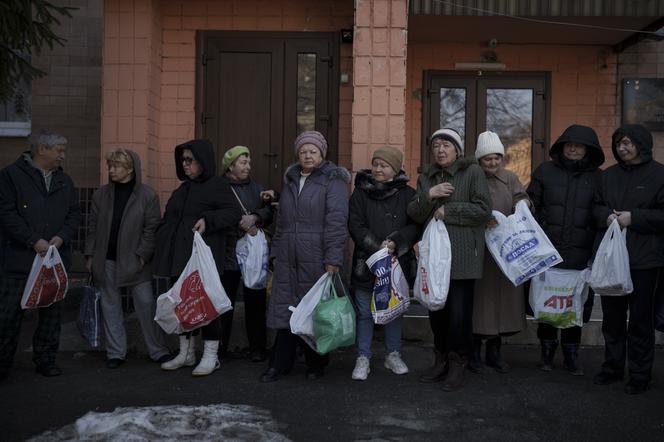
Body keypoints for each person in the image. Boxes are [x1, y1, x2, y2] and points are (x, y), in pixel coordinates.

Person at [261, 130, 350, 383]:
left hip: (317, 255)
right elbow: (282, 223)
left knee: (313, 310)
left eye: (313, 151)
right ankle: (280, 364)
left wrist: (333, 258)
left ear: (322, 153)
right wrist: (276, 253)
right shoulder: (290, 180)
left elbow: (336, 222)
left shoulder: (333, 182)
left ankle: (316, 363)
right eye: (303, 151)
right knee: (286, 309)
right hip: (289, 256)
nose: (307, 155)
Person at [408, 128, 492, 392]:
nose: (441, 150)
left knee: (459, 315)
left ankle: (458, 362)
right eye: (436, 146)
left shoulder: (473, 172)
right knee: (437, 313)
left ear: (457, 150)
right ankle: (441, 359)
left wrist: (449, 210)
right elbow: (414, 213)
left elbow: (483, 210)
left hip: (463, 256)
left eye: (446, 145)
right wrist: (430, 195)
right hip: (434, 259)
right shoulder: (427, 177)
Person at [153, 139, 241, 376]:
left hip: (204, 260)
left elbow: (233, 214)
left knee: (206, 305)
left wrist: (208, 221)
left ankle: (210, 355)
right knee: (182, 305)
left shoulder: (217, 185)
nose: (186, 165)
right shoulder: (183, 189)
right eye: (183, 160)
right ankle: (186, 353)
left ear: (203, 161)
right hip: (179, 258)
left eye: (190, 160)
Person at [0, 130, 81, 380]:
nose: (63, 156)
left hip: (53, 262)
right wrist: (33, 240)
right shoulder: (10, 176)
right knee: (8, 317)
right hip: (18, 261)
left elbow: (74, 214)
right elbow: (6, 214)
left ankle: (46, 360)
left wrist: (62, 237)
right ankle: (2, 365)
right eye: (59, 150)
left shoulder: (64, 180)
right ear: (42, 149)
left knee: (51, 316)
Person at [527, 124, 604, 376]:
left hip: (581, 255)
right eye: (568, 144)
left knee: (575, 307)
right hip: (548, 253)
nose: (572, 148)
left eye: (579, 145)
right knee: (548, 305)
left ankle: (572, 355)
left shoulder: (599, 178)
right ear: (561, 146)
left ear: (588, 149)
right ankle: (546, 353)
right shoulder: (545, 171)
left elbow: (602, 214)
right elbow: (532, 207)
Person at [593, 124, 664, 395]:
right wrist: (606, 216)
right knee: (612, 318)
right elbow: (595, 206)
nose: (623, 147)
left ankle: (639, 375)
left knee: (640, 321)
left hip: (645, 260)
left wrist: (634, 218)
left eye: (628, 142)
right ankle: (612, 368)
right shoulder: (607, 176)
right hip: (612, 260)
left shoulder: (660, 175)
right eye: (619, 143)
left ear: (642, 144)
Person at [84, 148, 171, 369]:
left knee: (146, 304)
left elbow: (151, 229)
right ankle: (115, 353)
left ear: (130, 169)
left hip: (136, 261)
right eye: (110, 166)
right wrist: (90, 255)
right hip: (106, 260)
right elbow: (92, 227)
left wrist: (142, 256)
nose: (111, 170)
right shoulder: (100, 194)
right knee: (110, 305)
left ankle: (158, 350)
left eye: (116, 166)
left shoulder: (147, 195)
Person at [348, 146, 419, 381]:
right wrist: (376, 245)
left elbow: (416, 225)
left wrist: (396, 242)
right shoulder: (360, 193)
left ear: (395, 169)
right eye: (375, 164)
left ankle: (393, 354)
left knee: (394, 311)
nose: (378, 169)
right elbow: (355, 225)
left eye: (384, 165)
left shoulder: (409, 195)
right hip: (366, 262)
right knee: (364, 313)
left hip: (398, 262)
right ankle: (363, 357)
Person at [470, 131, 530, 374]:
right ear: (479, 160)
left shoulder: (511, 177)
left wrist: (523, 204)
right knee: (479, 304)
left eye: (496, 158)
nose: (493, 163)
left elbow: (522, 197)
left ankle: (494, 352)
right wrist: (481, 217)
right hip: (480, 250)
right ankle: (473, 352)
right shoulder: (471, 177)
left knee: (502, 305)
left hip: (506, 250)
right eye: (487, 159)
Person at [219, 145, 274, 363]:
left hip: (252, 254)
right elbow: (214, 213)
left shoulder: (256, 187)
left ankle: (258, 347)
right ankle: (220, 347)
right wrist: (240, 222)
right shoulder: (219, 187)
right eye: (243, 162)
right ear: (230, 165)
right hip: (228, 252)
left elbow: (269, 211)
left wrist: (256, 217)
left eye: (249, 162)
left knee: (256, 300)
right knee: (225, 301)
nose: (248, 166)